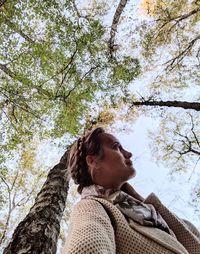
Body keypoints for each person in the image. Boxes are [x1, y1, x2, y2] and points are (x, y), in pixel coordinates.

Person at [62, 127, 200, 254]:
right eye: (116, 147)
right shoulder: (92, 207)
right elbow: (86, 248)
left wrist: (143, 201)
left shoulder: (154, 214)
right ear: (93, 161)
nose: (128, 153)